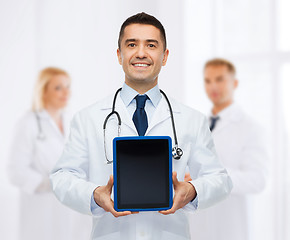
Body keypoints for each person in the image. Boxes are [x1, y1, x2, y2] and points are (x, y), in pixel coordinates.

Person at [50, 13, 232, 240]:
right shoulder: (88, 118)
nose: (141, 53)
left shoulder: (191, 119)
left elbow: (220, 179)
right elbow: (62, 177)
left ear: (164, 56)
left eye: (151, 45)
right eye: (132, 44)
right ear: (119, 55)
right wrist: (95, 195)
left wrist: (192, 191)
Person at [8, 67, 92, 240]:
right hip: (41, 209)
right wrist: (49, 184)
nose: (66, 92)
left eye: (68, 86)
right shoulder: (28, 123)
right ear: (43, 91)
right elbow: (15, 171)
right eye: (58, 87)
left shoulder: (72, 122)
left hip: (70, 209)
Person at [188, 58, 267, 240]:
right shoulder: (199, 125)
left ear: (235, 83)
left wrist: (213, 177)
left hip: (231, 227)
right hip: (199, 226)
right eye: (208, 81)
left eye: (219, 79)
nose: (213, 86)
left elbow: (257, 180)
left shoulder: (251, 128)